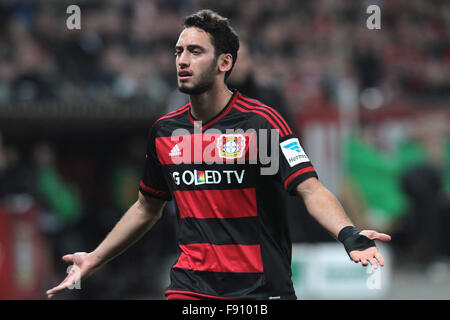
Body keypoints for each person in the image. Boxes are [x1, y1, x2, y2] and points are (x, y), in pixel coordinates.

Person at [46, 9, 391, 300]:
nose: (182, 60)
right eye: (178, 51)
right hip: (191, 287)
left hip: (259, 288)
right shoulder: (165, 132)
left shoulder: (262, 123)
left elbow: (310, 188)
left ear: (225, 62)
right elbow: (146, 206)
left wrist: (347, 233)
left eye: (196, 52)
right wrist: (95, 257)